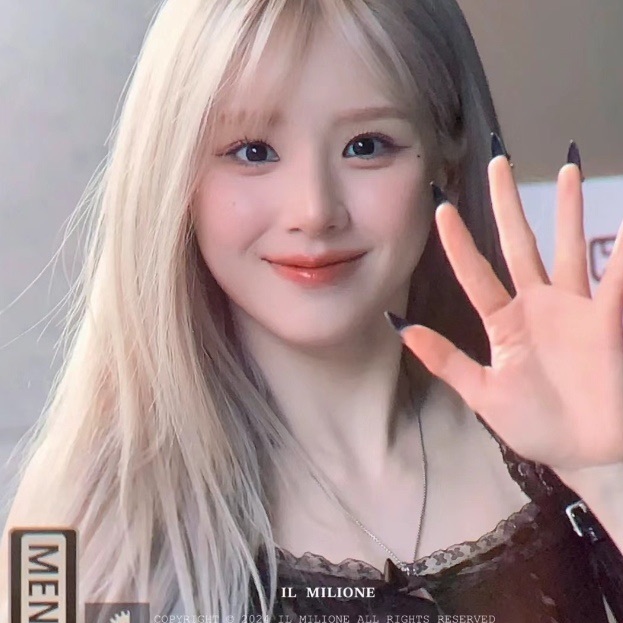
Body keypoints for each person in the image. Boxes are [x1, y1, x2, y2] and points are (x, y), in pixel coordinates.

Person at [1, 0, 623, 620]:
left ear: (448, 161)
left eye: (366, 145)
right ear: (172, 173)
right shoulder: (65, 531)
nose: (314, 210)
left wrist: (606, 476)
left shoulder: (573, 448)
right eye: (252, 151)